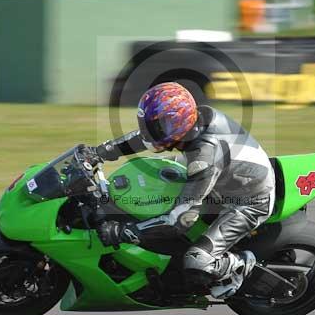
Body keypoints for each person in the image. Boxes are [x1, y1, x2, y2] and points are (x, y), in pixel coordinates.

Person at [93, 82, 275, 298]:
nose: (151, 131)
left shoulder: (203, 156)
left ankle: (239, 264)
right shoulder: (193, 123)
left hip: (248, 201)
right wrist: (100, 152)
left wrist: (125, 232)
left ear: (178, 121)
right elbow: (146, 138)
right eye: (149, 124)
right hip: (225, 181)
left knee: (196, 261)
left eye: (160, 126)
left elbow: (179, 221)